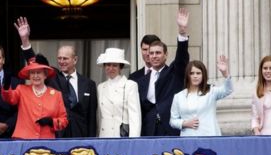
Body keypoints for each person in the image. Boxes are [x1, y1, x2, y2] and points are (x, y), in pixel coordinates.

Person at [14, 17, 97, 138]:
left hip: (80, 134)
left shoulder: (89, 84)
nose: (61, 61)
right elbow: (33, 62)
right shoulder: (52, 76)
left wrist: (92, 141)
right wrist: (25, 40)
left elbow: (91, 117)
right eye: (59, 58)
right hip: (58, 134)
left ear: (75, 60)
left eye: (65, 58)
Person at [133, 8, 190, 136]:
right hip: (148, 130)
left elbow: (182, 57)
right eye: (151, 53)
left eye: (158, 53)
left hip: (170, 128)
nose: (154, 56)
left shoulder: (174, 73)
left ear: (165, 55)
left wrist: (182, 33)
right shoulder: (141, 80)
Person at [1, 55, 68, 139]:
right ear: (29, 76)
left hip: (46, 142)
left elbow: (64, 121)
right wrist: (7, 84)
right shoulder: (21, 90)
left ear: (45, 75)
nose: (35, 76)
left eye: (39, 72)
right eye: (32, 73)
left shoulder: (56, 95)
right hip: (23, 141)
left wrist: (51, 122)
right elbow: (9, 98)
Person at [170, 56, 233, 136]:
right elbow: (173, 120)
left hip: (209, 136)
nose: (195, 76)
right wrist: (185, 123)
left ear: (203, 75)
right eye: (192, 73)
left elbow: (228, 90)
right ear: (187, 76)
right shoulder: (178, 96)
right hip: (188, 137)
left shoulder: (211, 91)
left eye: (198, 73)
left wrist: (226, 73)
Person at [96, 48, 141, 137]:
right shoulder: (100, 87)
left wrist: (134, 141)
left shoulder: (130, 85)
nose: (111, 68)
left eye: (115, 65)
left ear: (121, 67)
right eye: (108, 65)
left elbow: (135, 117)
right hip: (104, 136)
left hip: (121, 137)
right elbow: (99, 117)